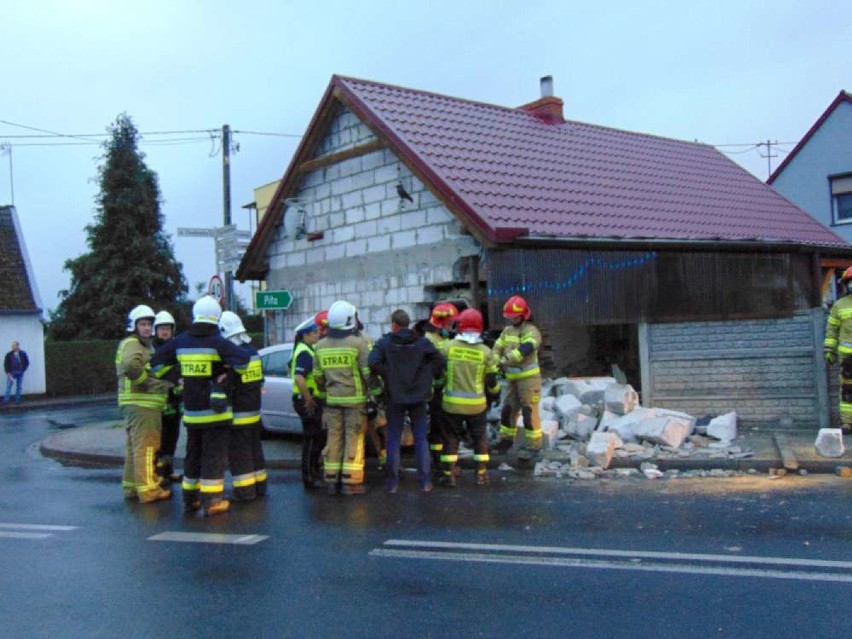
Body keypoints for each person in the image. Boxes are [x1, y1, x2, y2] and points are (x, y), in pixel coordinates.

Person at [150, 296, 250, 516]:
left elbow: (155, 366)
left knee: (192, 456)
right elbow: (244, 362)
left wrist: (179, 377)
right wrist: (223, 371)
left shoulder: (181, 341)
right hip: (215, 413)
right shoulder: (218, 341)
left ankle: (190, 499)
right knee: (214, 456)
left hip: (192, 413)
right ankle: (212, 501)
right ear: (216, 317)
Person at [369, 309, 444, 493]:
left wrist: (388, 374)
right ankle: (425, 481)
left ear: (394, 324)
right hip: (418, 396)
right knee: (420, 437)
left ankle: (392, 483)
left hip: (394, 396)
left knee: (393, 438)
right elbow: (440, 361)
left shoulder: (385, 343)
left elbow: (372, 362)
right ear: (408, 324)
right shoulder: (421, 342)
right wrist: (425, 376)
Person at [313, 300, 373, 496]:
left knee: (334, 437)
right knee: (354, 438)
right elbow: (367, 374)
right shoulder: (358, 343)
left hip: (331, 401)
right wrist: (375, 395)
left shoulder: (320, 346)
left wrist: (324, 397)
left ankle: (331, 480)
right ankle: (351, 482)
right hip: (355, 401)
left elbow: (318, 377)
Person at [438, 308, 501, 486]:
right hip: (477, 405)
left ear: (460, 326)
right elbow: (491, 380)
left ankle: (449, 474)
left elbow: (438, 374)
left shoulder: (447, 347)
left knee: (451, 437)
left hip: (451, 404)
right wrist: (496, 393)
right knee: (479, 437)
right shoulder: (485, 352)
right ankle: (481, 474)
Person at [116, 305, 172, 503]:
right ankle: (149, 490)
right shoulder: (133, 344)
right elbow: (131, 366)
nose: (147, 328)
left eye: (149, 324)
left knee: (134, 448)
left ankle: (132, 486)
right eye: (143, 324)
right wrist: (149, 384)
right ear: (134, 326)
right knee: (147, 447)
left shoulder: (143, 345)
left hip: (137, 405)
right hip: (143, 405)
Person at [219, 311, 267, 500]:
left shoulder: (232, 357)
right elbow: (259, 381)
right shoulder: (253, 352)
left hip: (238, 413)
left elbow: (228, 385)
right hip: (254, 412)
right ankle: (260, 487)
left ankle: (245, 491)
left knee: (240, 454)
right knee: (256, 451)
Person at [493, 295, 543, 460]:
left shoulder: (531, 331)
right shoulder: (507, 331)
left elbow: (524, 350)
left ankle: (534, 446)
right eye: (509, 317)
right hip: (512, 379)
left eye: (514, 317)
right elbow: (498, 346)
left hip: (529, 380)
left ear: (524, 315)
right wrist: (494, 360)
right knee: (508, 409)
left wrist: (504, 361)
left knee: (529, 412)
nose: (511, 319)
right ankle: (505, 440)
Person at [422, 302, 458, 472]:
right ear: (441, 323)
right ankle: (443, 465)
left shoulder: (437, 338)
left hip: (440, 390)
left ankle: (438, 462)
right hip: (437, 392)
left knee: (438, 429)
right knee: (443, 429)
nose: (452, 326)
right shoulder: (431, 341)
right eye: (450, 323)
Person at [290, 315, 325, 489]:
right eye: (314, 333)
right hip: (307, 400)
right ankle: (309, 476)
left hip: (307, 399)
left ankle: (314, 471)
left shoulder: (305, 349)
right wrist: (309, 399)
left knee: (316, 437)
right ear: (305, 335)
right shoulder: (304, 351)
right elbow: (299, 377)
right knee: (311, 439)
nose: (318, 335)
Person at [152, 310, 182, 484]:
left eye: (167, 329)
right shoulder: (154, 350)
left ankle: (168, 471)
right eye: (162, 328)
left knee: (173, 438)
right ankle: (158, 473)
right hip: (160, 402)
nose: (165, 332)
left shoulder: (176, 348)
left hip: (175, 401)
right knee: (160, 441)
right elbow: (158, 373)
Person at [824, 266, 852, 432]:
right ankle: (848, 423)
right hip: (848, 358)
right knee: (848, 389)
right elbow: (831, 330)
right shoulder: (839, 305)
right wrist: (829, 350)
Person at [3, 341, 30, 406]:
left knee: (19, 387)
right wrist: (8, 372)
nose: (12, 347)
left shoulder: (23, 353)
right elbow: (6, 364)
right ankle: (5, 401)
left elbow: (27, 362)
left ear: (18, 346)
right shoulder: (9, 354)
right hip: (11, 373)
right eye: (12, 346)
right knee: (8, 386)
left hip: (20, 372)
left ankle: (17, 401)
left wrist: (23, 370)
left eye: (14, 345)